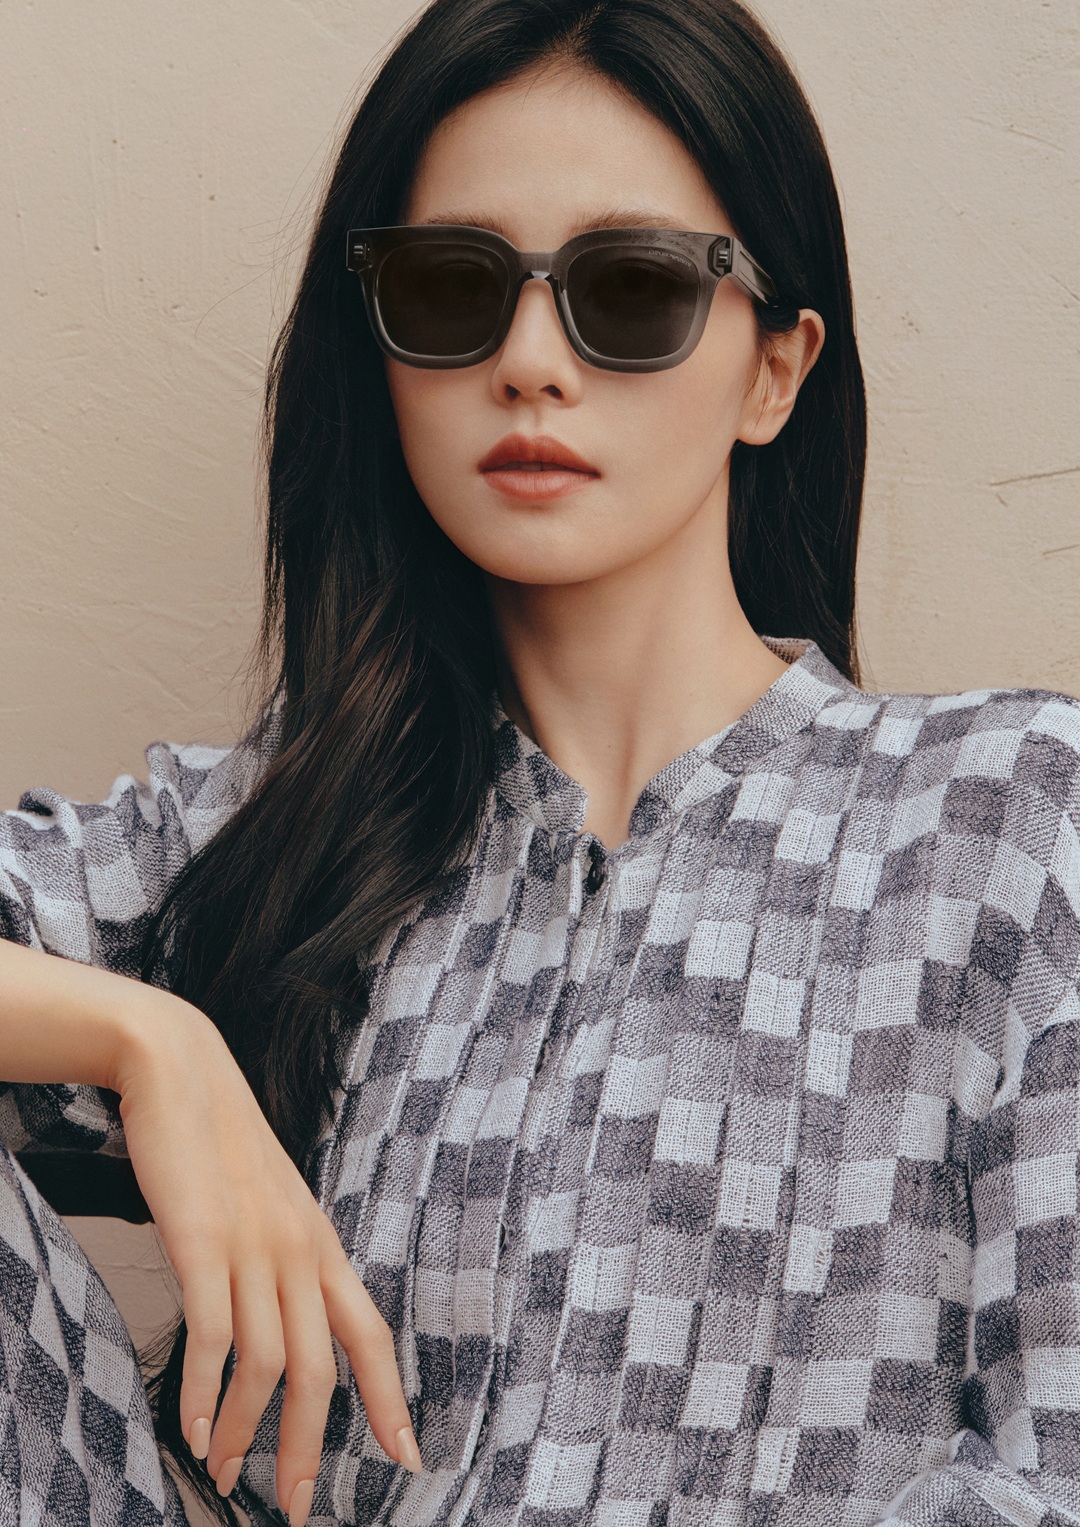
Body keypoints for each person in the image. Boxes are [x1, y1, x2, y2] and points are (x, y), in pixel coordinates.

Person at [1, 0, 1078, 1523]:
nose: (527, 361)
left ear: (774, 372)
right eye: (452, 287)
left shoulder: (1005, 825)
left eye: (630, 289)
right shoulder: (256, 837)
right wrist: (145, 1040)